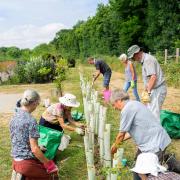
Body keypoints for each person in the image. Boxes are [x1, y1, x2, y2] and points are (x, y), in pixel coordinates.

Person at [110, 89, 171, 180]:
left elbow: (121, 135)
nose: (114, 108)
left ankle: (170, 169)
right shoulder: (135, 103)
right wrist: (119, 141)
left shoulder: (126, 109)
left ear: (119, 100)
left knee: (148, 174)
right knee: (138, 168)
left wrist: (113, 148)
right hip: (158, 139)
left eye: (113, 105)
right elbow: (133, 131)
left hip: (154, 145)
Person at [10, 89, 59, 179]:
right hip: (26, 164)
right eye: (37, 104)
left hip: (15, 161)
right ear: (34, 103)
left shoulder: (14, 116)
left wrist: (39, 147)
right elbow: (34, 149)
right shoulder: (31, 121)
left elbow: (19, 139)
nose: (36, 106)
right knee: (52, 175)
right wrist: (50, 165)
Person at [127, 45, 167, 121]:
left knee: (154, 115)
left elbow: (153, 77)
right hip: (153, 89)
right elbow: (149, 79)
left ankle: (156, 132)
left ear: (137, 53)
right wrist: (146, 91)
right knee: (149, 111)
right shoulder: (145, 60)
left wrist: (148, 93)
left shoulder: (148, 60)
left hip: (158, 89)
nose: (134, 59)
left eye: (133, 57)